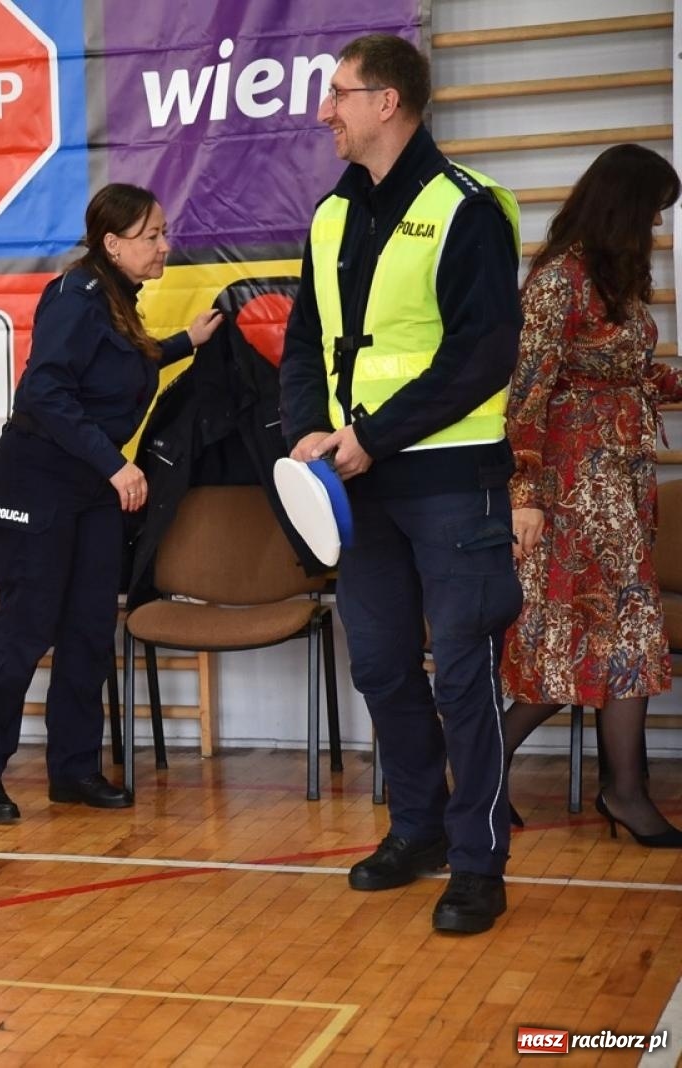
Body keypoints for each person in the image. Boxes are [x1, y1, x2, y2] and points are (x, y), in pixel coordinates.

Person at [278, 34, 524, 934]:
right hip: (355, 485)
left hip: (450, 480)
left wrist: (370, 437)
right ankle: (415, 828)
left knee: (464, 676)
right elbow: (305, 341)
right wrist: (308, 428)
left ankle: (478, 859)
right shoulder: (331, 216)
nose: (324, 111)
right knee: (381, 666)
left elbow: (484, 356)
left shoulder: (468, 209)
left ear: (387, 102)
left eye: (338, 94)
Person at [0, 183, 222, 822]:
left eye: (162, 231)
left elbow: (122, 365)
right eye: (151, 235)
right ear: (112, 243)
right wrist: (116, 465)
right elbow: (46, 394)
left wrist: (186, 342)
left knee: (89, 632)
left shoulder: (119, 301)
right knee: (22, 631)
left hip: (91, 488)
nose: (164, 245)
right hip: (39, 481)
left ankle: (73, 770)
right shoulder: (75, 298)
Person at [500, 145, 682, 847]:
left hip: (621, 492)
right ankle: (488, 763)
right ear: (623, 209)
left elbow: (628, 374)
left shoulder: (614, 283)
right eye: (653, 215)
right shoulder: (559, 282)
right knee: (571, 649)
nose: (657, 230)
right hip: (572, 493)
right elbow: (526, 396)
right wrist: (527, 498)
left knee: (624, 640)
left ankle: (622, 791)